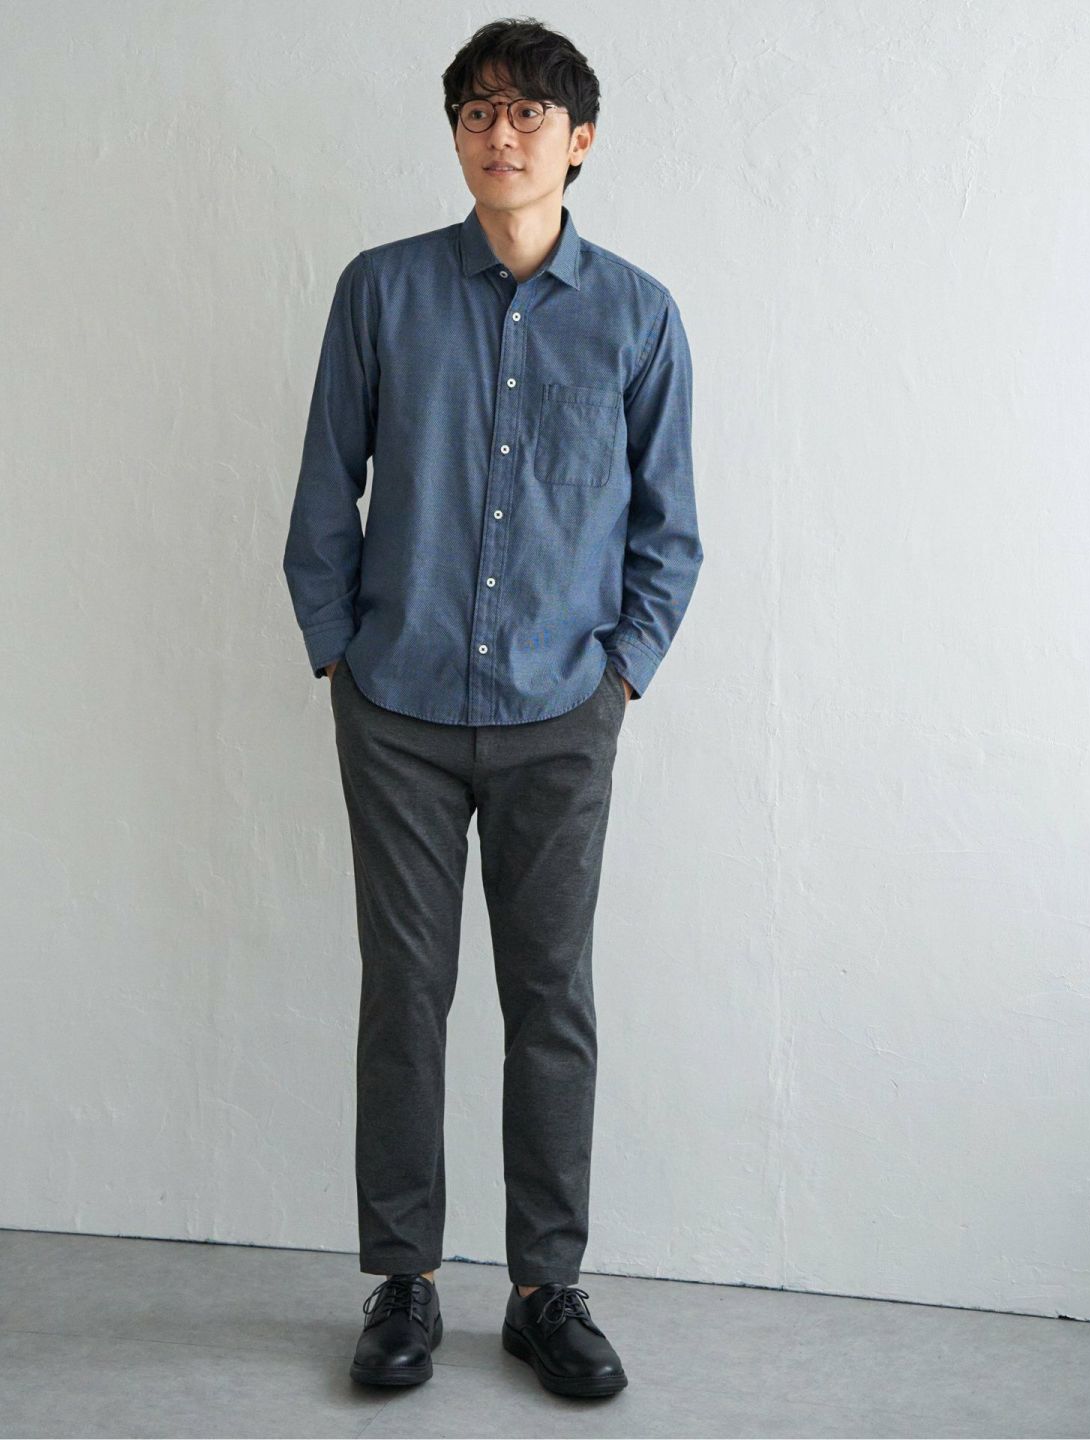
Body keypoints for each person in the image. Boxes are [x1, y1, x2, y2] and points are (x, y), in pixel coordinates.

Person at [282, 16, 703, 1399]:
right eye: (477, 110)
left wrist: (619, 674)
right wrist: (339, 654)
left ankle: (543, 1289)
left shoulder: (638, 316)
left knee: (551, 1000)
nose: (499, 133)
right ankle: (402, 1281)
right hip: (397, 707)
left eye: (527, 113)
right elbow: (324, 494)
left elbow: (668, 531)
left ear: (580, 142)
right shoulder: (381, 292)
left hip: (561, 714)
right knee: (404, 996)